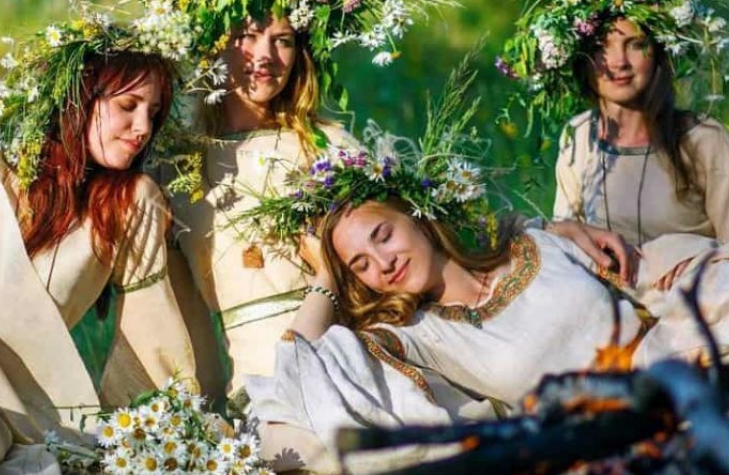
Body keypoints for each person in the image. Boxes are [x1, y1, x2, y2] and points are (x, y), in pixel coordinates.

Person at [237, 119, 677, 470]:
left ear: (416, 214)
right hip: (609, 449)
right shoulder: (413, 336)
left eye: (383, 235)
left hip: (680, 379)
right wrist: (326, 278)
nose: (383, 263)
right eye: (361, 265)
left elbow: (648, 277)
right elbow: (296, 375)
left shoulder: (533, 244)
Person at [133, 0, 440, 410]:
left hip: (345, 355)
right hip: (253, 382)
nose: (265, 56)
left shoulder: (328, 146)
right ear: (216, 43)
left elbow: (402, 248)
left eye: (283, 40)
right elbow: (174, 304)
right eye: (248, 35)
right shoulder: (175, 162)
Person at [0, 9, 197, 473]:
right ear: (80, 99)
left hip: (3, 411)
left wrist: (170, 433)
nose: (143, 128)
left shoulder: (129, 202)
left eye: (153, 114)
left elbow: (151, 327)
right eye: (128, 106)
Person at [498, 0, 729, 292]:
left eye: (635, 44)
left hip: (696, 294)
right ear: (582, 60)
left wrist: (698, 258)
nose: (618, 62)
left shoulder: (702, 139)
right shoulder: (579, 136)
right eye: (601, 48)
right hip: (609, 300)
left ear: (658, 53)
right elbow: (569, 240)